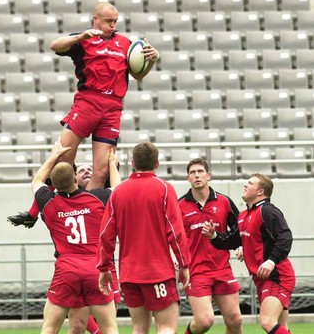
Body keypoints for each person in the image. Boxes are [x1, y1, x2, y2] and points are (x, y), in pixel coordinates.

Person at [50, 2, 159, 190]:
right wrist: (80, 36)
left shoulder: (125, 43)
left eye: (115, 21)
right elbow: (55, 46)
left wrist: (152, 60)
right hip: (88, 102)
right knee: (63, 157)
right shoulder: (84, 39)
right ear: (95, 19)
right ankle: (60, 202)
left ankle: (89, 210)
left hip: (112, 108)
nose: (113, 25)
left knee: (102, 171)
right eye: (109, 21)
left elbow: (138, 75)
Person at [97, 141, 190, 334]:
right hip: (158, 272)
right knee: (166, 327)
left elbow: (106, 234)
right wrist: (184, 264)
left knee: (139, 328)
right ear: (157, 164)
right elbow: (175, 231)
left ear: (132, 162)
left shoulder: (118, 192)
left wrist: (104, 266)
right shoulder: (164, 189)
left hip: (129, 274)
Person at [31, 140, 118, 334]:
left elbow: (36, 181)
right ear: (75, 180)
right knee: (110, 327)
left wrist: (54, 155)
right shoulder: (97, 198)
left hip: (66, 270)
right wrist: (112, 164)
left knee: (49, 327)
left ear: (53, 184)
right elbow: (118, 189)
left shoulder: (48, 202)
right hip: (95, 268)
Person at [202, 174, 296, 334]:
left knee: (267, 322)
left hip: (277, 276)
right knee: (281, 326)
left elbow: (285, 237)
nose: (245, 185)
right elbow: (231, 241)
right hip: (262, 278)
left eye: (250, 183)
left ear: (260, 191)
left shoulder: (267, 211)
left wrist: (271, 261)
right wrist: (213, 235)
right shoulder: (244, 215)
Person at [178, 158, 243, 334]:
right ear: (188, 178)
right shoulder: (179, 206)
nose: (197, 175)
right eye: (193, 172)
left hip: (222, 269)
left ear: (208, 175)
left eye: (200, 172)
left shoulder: (224, 202)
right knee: (204, 321)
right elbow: (170, 236)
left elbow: (240, 228)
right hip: (196, 271)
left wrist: (240, 245)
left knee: (235, 320)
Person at [7, 163, 93, 228]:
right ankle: (32, 215)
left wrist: (55, 154)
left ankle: (31, 216)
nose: (86, 172)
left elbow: (37, 182)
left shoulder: (102, 196)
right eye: (81, 171)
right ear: (74, 178)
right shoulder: (53, 202)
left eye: (90, 170)